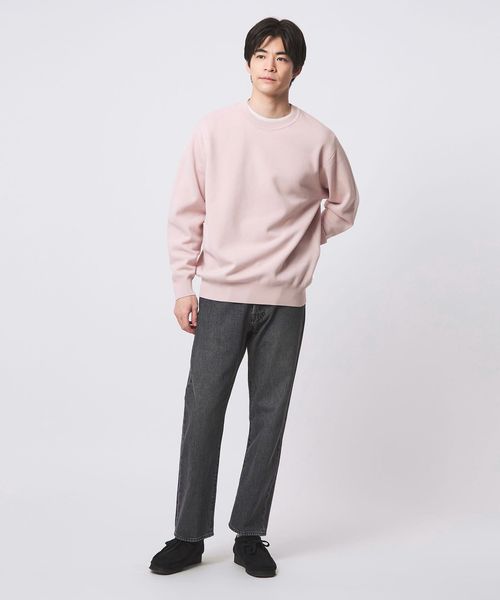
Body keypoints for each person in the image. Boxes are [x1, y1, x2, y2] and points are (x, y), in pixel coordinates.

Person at [149, 16, 359, 578]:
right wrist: (183, 284)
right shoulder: (214, 130)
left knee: (269, 416)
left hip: (285, 302)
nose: (271, 65)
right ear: (247, 63)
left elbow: (344, 205)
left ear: (296, 68)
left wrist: (304, 239)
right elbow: (187, 211)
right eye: (262, 55)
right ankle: (188, 536)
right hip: (220, 294)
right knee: (203, 412)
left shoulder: (317, 138)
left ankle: (249, 534)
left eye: (282, 57)